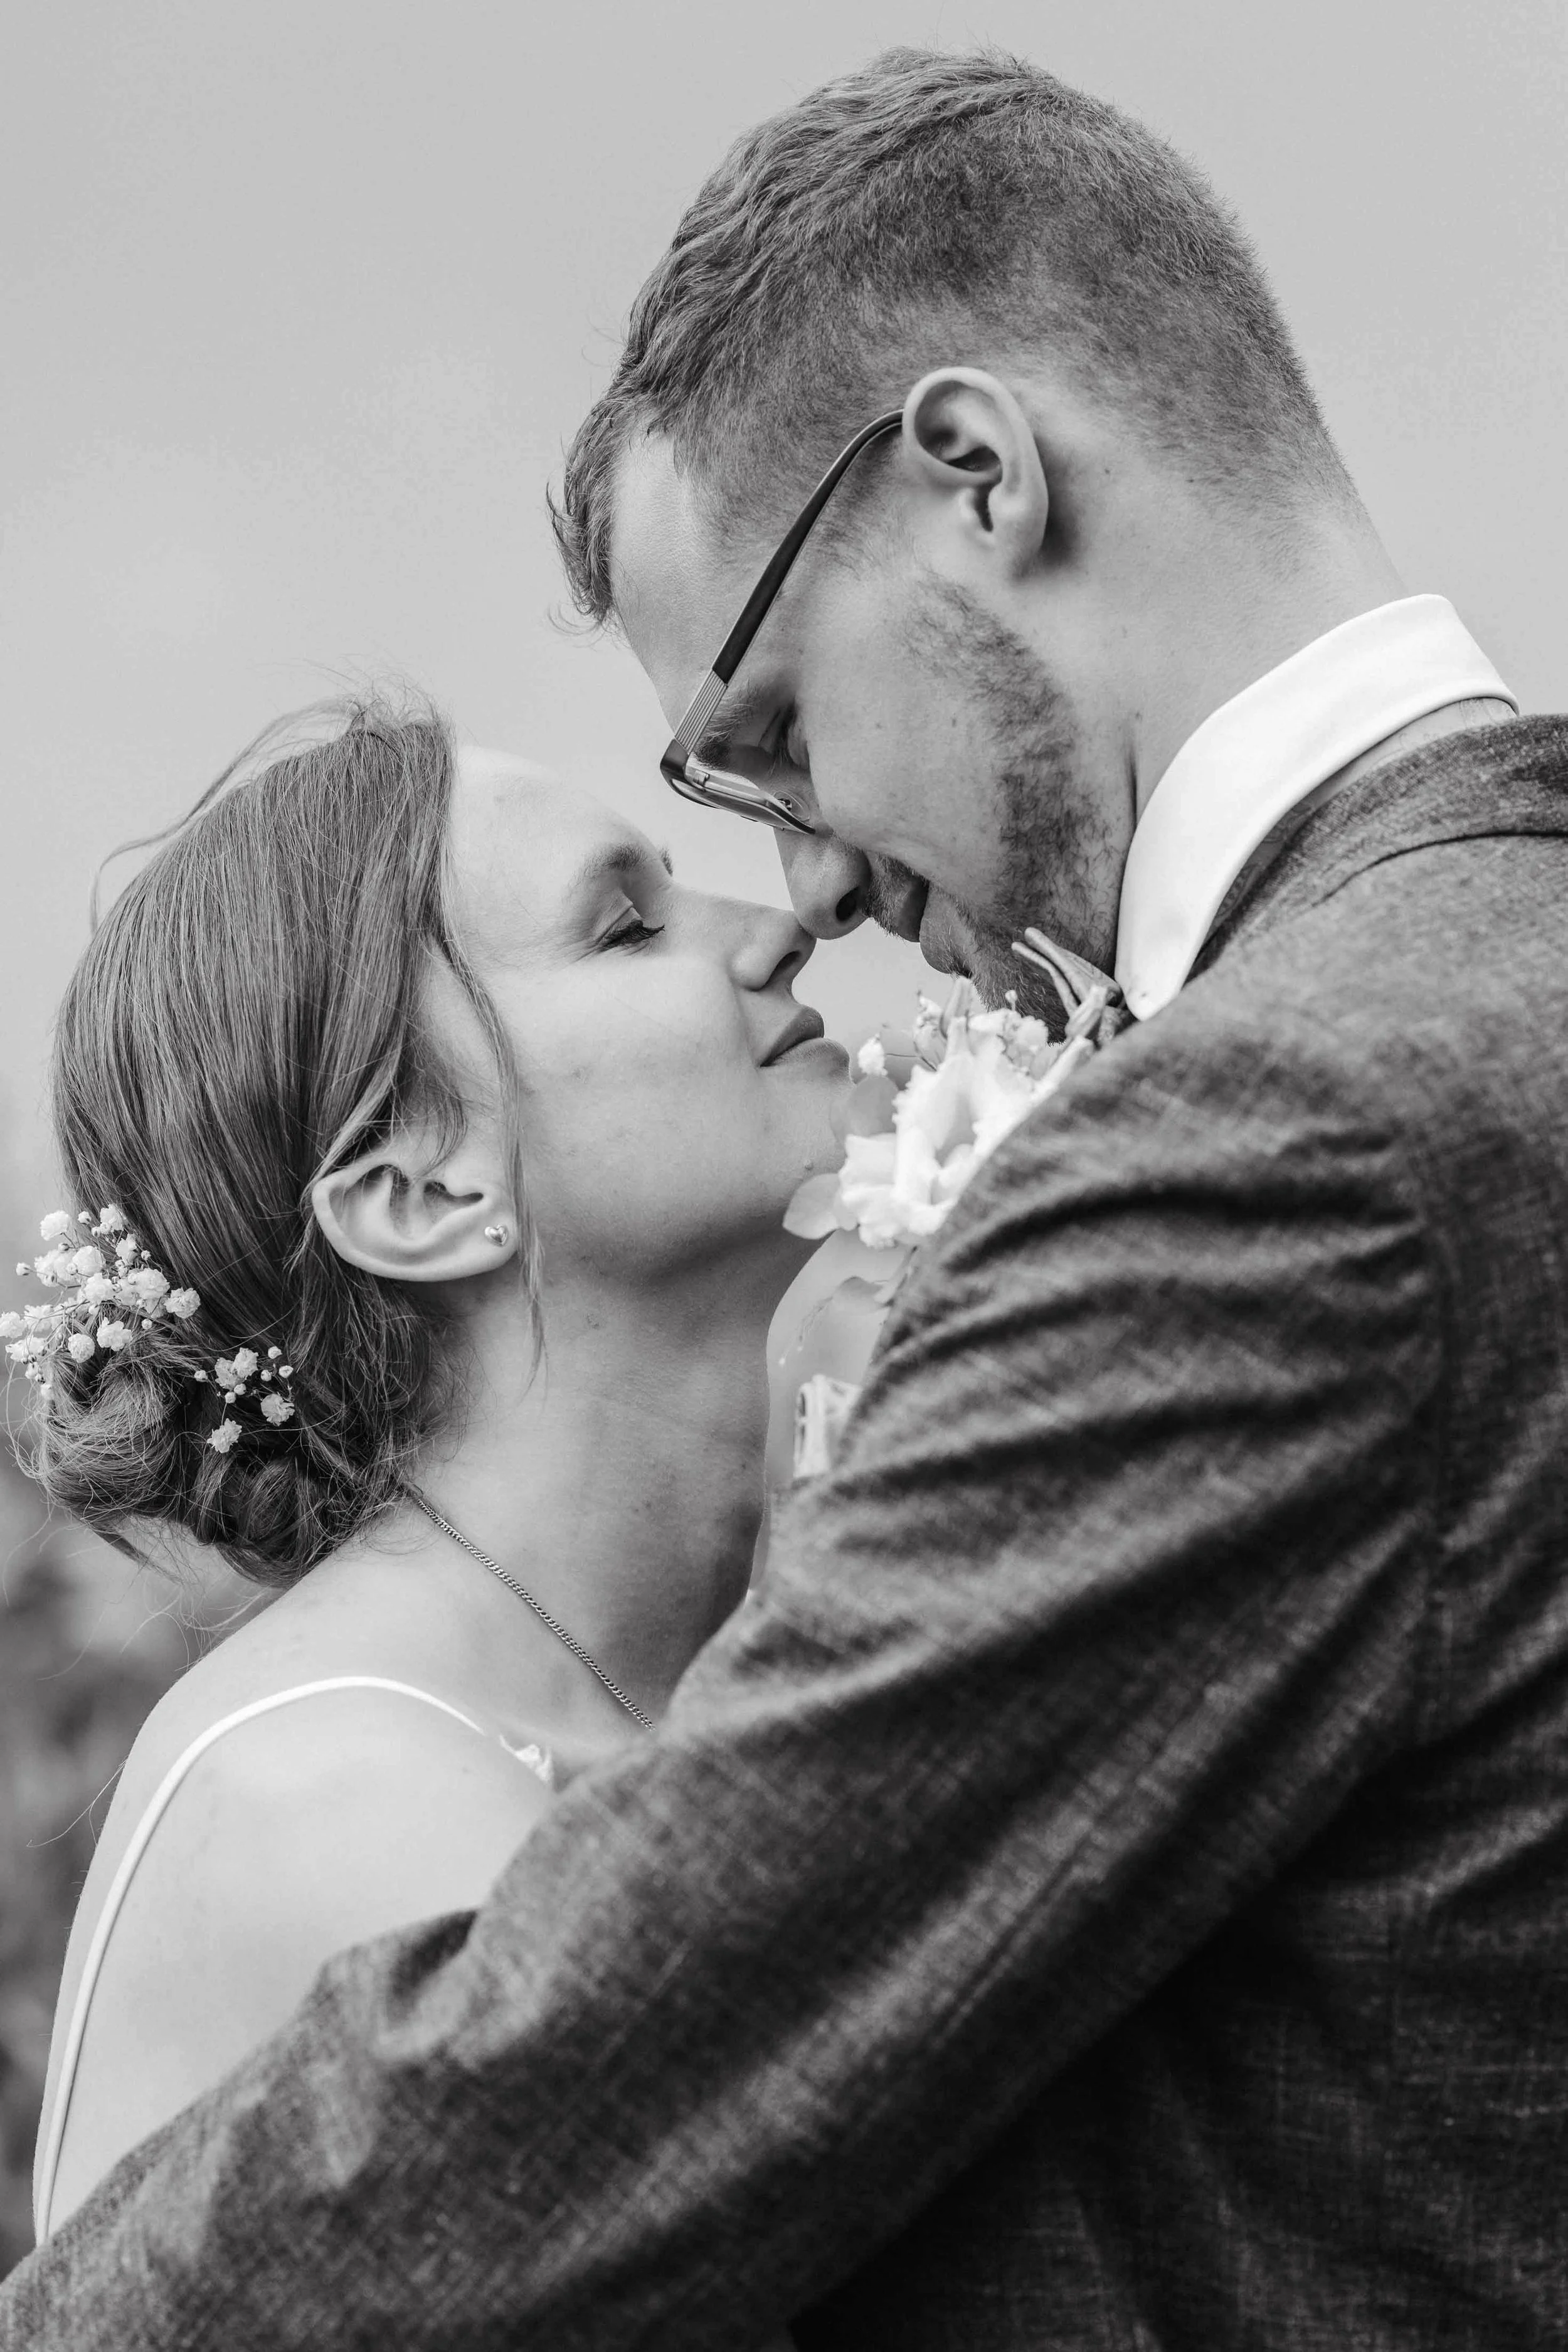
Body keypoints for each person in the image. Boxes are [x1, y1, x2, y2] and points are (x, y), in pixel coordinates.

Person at [6, 45, 1567, 2351]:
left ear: (974, 476)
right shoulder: (1472, 972)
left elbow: (539, 2116)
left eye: (762, 737)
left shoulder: (1286, 1151)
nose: (805, 884)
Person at [17, 699, 844, 2279]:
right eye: (626, 929)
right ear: (418, 1193)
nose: (784, 927)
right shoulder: (338, 1795)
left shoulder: (714, 1644)